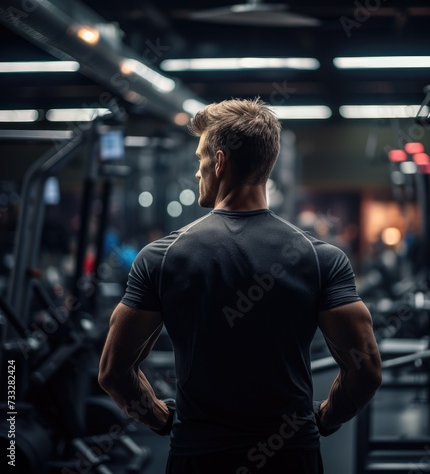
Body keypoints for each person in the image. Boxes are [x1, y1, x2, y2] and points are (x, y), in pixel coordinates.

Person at [98, 98, 382, 474]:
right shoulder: (320, 258)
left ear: (219, 161)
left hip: (198, 456)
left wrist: (162, 421)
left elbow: (114, 372)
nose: (198, 174)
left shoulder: (161, 257)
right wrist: (326, 419)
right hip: (290, 456)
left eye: (200, 162)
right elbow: (367, 370)